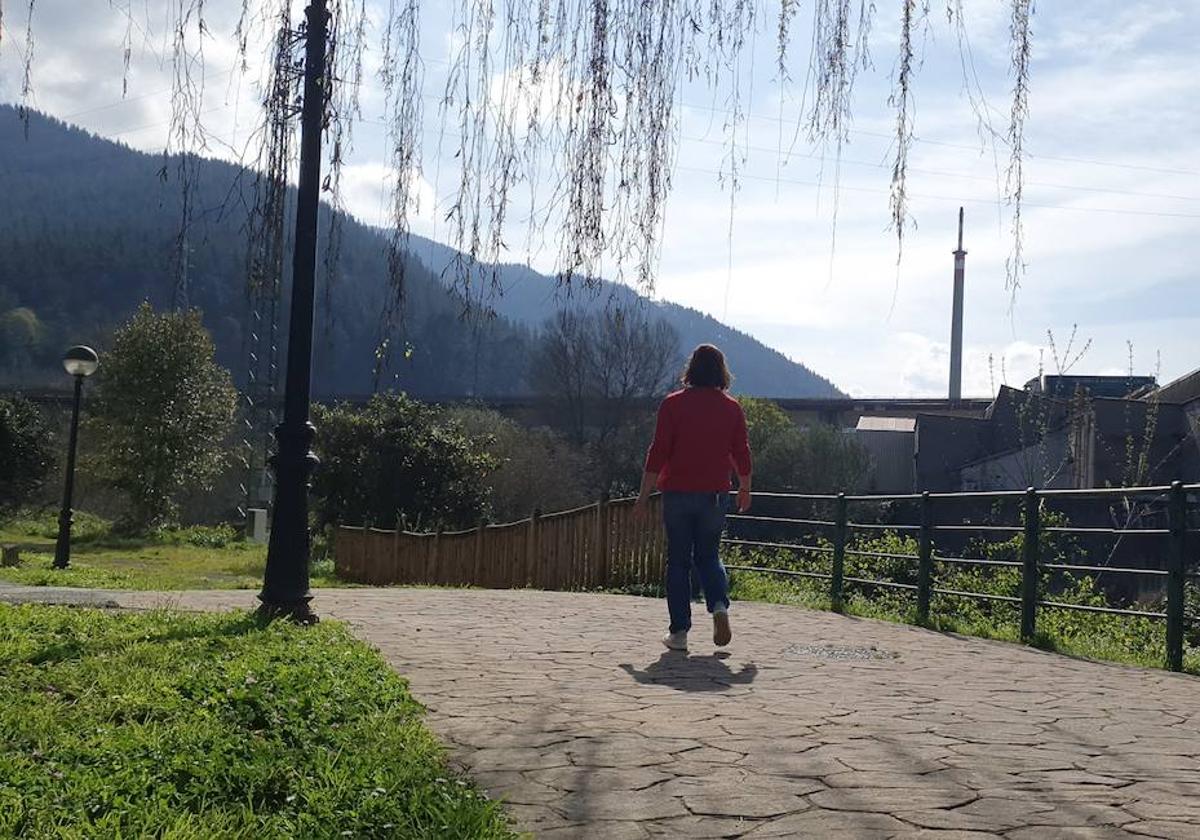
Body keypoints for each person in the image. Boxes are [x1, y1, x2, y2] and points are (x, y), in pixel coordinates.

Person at [634, 344, 752, 651]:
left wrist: (643, 496)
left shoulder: (672, 405)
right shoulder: (731, 408)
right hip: (714, 493)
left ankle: (679, 633)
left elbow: (657, 452)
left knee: (678, 562)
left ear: (691, 370)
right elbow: (741, 452)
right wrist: (745, 487)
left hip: (677, 493)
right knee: (709, 556)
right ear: (721, 372)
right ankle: (719, 607)